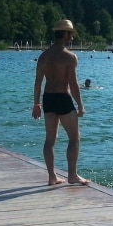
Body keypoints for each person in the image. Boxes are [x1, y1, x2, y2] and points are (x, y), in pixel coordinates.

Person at [32, 19, 87, 185]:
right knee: (74, 138)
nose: (72, 37)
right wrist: (80, 105)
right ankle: (72, 175)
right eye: (71, 34)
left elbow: (38, 82)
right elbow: (73, 84)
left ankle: (51, 177)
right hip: (63, 97)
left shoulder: (43, 56)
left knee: (50, 139)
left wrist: (36, 104)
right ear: (65, 34)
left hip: (48, 98)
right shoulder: (69, 57)